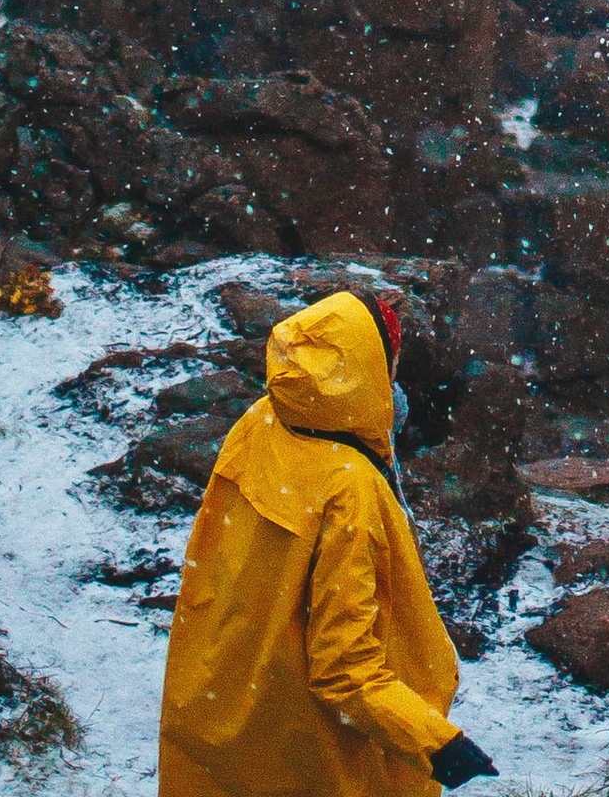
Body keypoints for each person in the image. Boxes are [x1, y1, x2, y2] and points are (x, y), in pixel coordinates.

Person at [159, 287, 500, 797]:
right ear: (369, 370)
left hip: (229, 700)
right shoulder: (350, 488)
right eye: (391, 362)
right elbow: (343, 667)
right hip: (304, 744)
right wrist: (436, 743)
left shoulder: (264, 421)